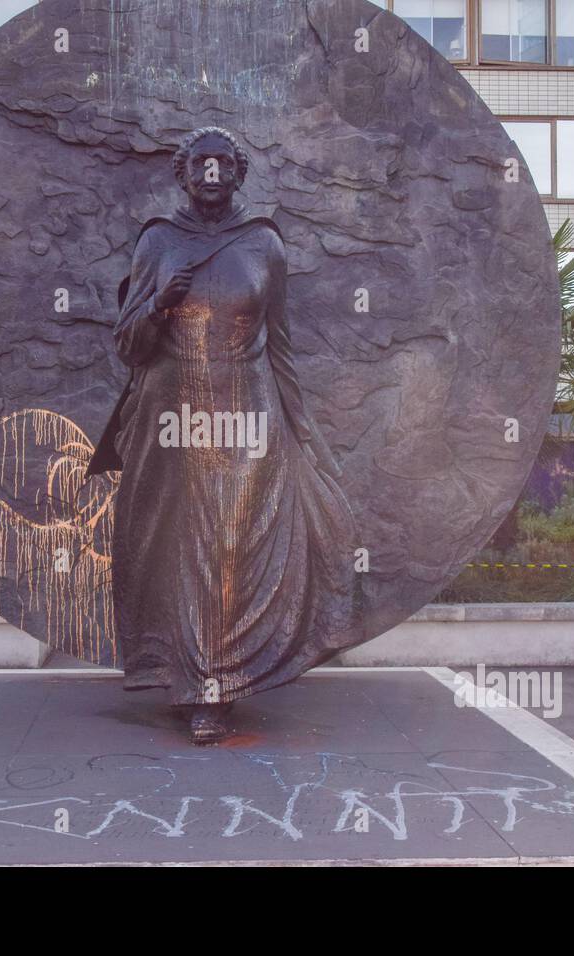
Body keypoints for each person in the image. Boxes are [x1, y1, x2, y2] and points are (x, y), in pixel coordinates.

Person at [87, 127, 366, 744]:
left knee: (235, 543)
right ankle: (194, 687)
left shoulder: (263, 244)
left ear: (238, 173)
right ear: (183, 173)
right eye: (200, 164)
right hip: (173, 417)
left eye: (222, 164)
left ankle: (231, 676)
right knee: (184, 548)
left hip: (249, 414)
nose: (211, 174)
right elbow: (128, 345)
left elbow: (282, 346)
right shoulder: (157, 241)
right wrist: (158, 302)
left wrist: (302, 432)